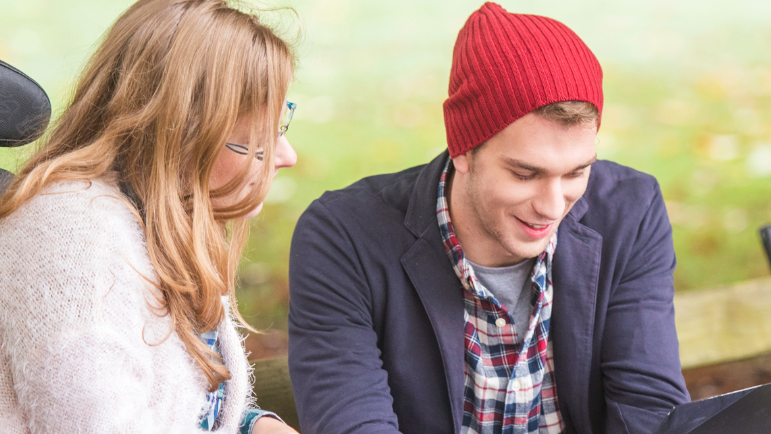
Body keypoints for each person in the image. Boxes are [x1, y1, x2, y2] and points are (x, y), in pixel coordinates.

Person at [287, 3, 690, 434]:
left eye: (576, 172)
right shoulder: (344, 237)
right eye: (524, 173)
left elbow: (650, 410)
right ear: (462, 148)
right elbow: (354, 424)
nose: (553, 206)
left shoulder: (630, 212)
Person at [0, 1, 299, 433]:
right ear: (184, 133)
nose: (285, 156)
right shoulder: (76, 248)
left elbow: (183, 408)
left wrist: (252, 426)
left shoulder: (155, 222)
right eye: (254, 140)